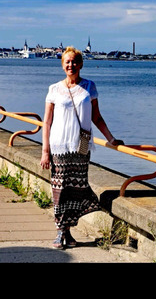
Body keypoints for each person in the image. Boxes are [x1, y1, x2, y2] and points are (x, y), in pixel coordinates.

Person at [40, 46, 124, 249]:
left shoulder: (89, 87)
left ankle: (68, 231)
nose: (71, 65)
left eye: (75, 62)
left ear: (81, 64)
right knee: (60, 190)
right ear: (62, 65)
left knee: (76, 190)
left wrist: (111, 139)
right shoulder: (54, 89)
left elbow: (97, 117)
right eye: (67, 62)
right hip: (59, 146)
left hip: (82, 145)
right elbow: (47, 122)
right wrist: (45, 151)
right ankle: (60, 231)